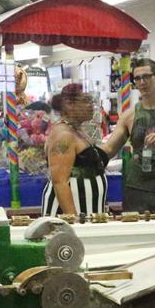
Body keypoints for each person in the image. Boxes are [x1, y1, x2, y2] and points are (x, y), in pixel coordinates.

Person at [103, 58, 155, 213]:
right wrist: (83, 151)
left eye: (146, 77)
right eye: (137, 78)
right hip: (136, 190)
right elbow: (109, 149)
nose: (142, 82)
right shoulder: (129, 115)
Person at [42, 83, 110, 218]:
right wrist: (74, 219)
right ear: (69, 104)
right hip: (71, 213)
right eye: (86, 101)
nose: (91, 106)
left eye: (91, 101)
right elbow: (59, 182)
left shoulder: (76, 130)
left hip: (87, 209)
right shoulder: (63, 135)